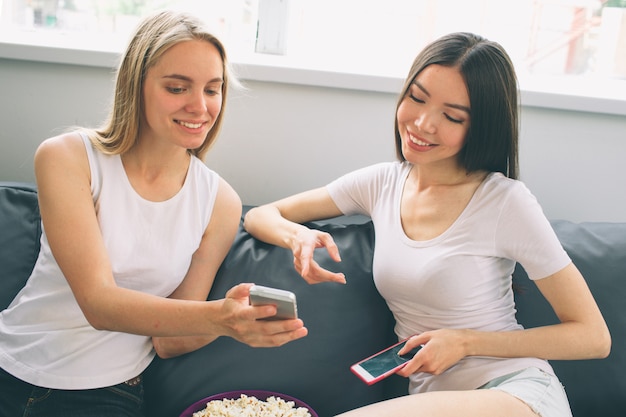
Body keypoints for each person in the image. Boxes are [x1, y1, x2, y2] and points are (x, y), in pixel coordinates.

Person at [243, 32, 610, 417]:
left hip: (516, 393)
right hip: (429, 399)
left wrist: (466, 342)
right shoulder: (380, 184)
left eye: (451, 116)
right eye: (416, 98)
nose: (422, 123)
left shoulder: (504, 201)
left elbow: (592, 336)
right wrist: (298, 236)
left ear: (480, 127)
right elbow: (260, 216)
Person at [0, 10, 306, 417]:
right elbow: (98, 303)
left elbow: (169, 342)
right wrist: (219, 317)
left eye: (213, 90)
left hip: (105, 391)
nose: (200, 107)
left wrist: (239, 322)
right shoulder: (68, 157)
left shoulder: (219, 202)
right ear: (136, 85)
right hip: (11, 361)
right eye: (178, 88)